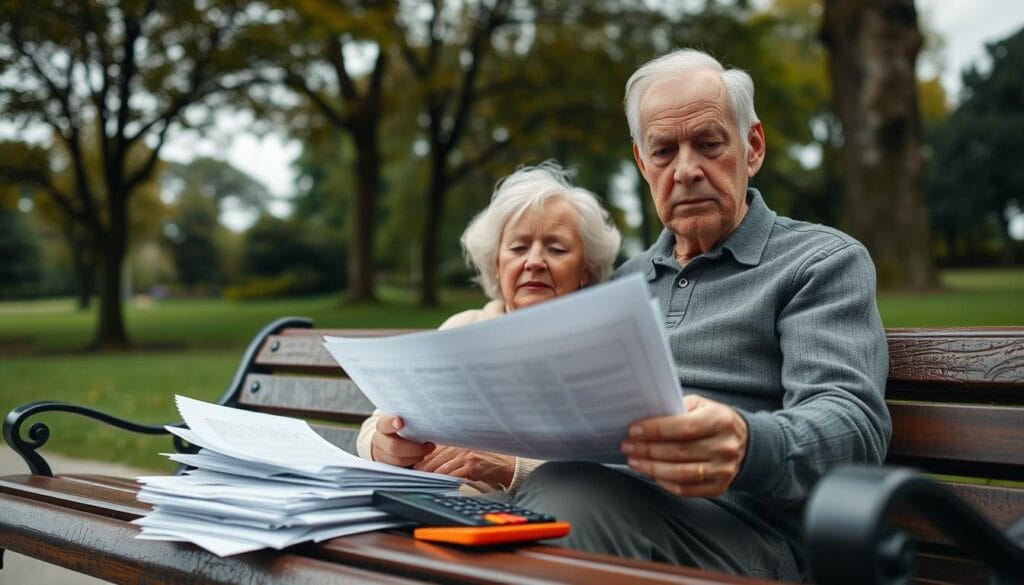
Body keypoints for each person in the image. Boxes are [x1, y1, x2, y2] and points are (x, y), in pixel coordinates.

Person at [509, 48, 891, 581]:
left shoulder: (821, 263)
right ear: (643, 165)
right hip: (606, 506)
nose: (686, 170)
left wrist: (748, 443)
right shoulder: (624, 283)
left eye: (709, 144)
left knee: (563, 502)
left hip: (747, 539)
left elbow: (852, 424)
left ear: (752, 146)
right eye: (663, 151)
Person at [356, 161, 622, 493]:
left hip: (526, 521)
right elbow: (375, 424)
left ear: (586, 269)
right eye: (518, 247)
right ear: (497, 265)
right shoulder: (463, 327)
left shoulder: (600, 347)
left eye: (556, 248)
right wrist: (383, 445)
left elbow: (612, 465)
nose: (534, 262)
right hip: (433, 506)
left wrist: (511, 468)